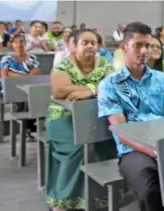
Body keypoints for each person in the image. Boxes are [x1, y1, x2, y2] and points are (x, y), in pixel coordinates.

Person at [98, 21, 164, 211]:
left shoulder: (162, 79)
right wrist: (154, 152)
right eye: (138, 45)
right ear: (123, 47)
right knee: (152, 188)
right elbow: (123, 132)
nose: (145, 51)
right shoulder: (110, 85)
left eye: (148, 45)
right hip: (132, 150)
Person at [45, 29, 115, 211]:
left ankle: (99, 198)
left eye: (93, 43)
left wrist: (86, 91)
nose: (90, 46)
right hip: (62, 118)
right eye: (85, 43)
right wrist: (95, 89)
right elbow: (59, 91)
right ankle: (63, 201)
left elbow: (111, 87)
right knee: (79, 147)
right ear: (73, 46)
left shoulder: (105, 64)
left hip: (96, 118)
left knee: (108, 144)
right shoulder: (63, 65)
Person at [0, 33, 41, 141]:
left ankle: (28, 128)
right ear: (12, 44)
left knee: (34, 98)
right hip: (10, 89)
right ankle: (30, 128)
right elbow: (5, 76)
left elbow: (35, 75)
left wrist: (14, 74)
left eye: (21, 41)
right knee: (25, 100)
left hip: (29, 89)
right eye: (16, 42)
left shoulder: (32, 58)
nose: (19, 44)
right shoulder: (7, 59)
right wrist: (26, 76)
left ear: (25, 43)